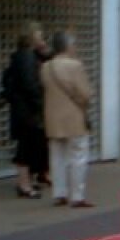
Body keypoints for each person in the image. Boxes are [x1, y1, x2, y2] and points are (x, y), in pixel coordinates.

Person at [40, 30, 95, 208]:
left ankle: (59, 193)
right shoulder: (75, 66)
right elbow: (86, 94)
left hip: (53, 119)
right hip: (74, 117)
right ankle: (77, 196)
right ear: (68, 46)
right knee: (78, 156)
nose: (75, 47)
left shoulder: (45, 67)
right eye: (74, 44)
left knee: (57, 157)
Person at [2, 22, 48, 198]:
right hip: (27, 111)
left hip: (22, 110)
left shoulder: (24, 55)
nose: (41, 37)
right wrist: (39, 103)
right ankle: (24, 185)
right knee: (26, 147)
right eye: (38, 34)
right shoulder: (27, 57)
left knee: (27, 145)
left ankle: (26, 182)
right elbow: (30, 84)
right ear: (31, 36)